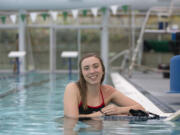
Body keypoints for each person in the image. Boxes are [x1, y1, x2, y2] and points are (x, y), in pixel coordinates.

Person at [64, 53, 145, 118]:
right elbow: (71, 118)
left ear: (102, 70)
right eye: (86, 68)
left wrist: (118, 110)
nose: (92, 71)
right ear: (82, 73)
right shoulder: (73, 88)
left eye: (95, 66)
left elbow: (141, 109)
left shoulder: (108, 91)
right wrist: (101, 113)